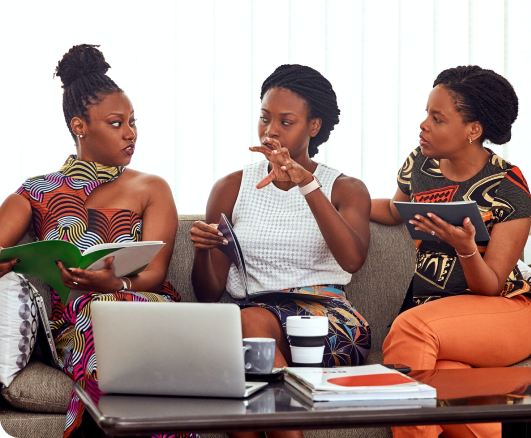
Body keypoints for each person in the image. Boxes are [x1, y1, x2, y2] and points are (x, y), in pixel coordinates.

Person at [0, 44, 193, 438]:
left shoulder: (151, 187)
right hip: (76, 323)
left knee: (106, 306)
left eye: (133, 122)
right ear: (79, 126)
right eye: (116, 123)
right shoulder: (35, 191)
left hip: (144, 306)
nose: (130, 133)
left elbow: (155, 272)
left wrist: (116, 283)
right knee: (95, 308)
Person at [190, 64, 371, 438]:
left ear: (313, 126)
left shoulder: (345, 188)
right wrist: (203, 250)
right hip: (248, 317)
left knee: (247, 341)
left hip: (326, 320)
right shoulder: (230, 187)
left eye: (285, 121)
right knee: (246, 339)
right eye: (264, 118)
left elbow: (352, 259)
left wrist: (308, 185)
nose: (270, 130)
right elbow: (208, 292)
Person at [371, 65, 531, 438]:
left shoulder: (509, 188)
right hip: (440, 323)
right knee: (448, 393)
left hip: (504, 314)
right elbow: (392, 210)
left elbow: (491, 285)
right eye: (426, 114)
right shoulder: (421, 163)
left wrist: (466, 249)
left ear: (473, 130)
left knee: (410, 328)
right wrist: (334, 198)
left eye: (437, 118)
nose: (423, 125)